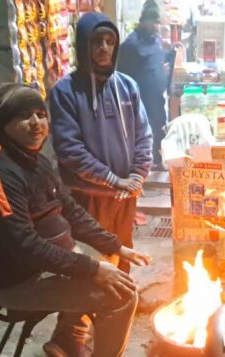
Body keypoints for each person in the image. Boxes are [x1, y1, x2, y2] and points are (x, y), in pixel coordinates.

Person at [0, 83, 154, 357]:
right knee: (122, 295)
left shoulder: (32, 158)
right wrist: (91, 268)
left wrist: (115, 246)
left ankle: (69, 338)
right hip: (15, 282)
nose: (36, 123)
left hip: (35, 264)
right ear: (5, 123)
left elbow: (70, 209)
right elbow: (24, 246)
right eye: (25, 116)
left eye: (41, 114)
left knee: (106, 259)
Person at [50, 12, 153, 275]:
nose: (104, 48)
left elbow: (144, 136)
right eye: (96, 41)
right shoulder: (66, 90)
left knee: (124, 250)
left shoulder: (127, 86)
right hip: (88, 197)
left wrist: (137, 177)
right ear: (83, 45)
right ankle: (88, 303)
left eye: (110, 41)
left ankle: (123, 296)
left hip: (125, 196)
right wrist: (112, 180)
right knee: (93, 259)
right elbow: (69, 149)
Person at [117, 2, 175, 171]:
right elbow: (121, 76)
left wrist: (171, 55)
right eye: (153, 22)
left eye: (158, 22)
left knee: (159, 128)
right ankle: (140, 167)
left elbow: (157, 60)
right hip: (140, 101)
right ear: (143, 21)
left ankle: (158, 160)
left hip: (157, 99)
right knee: (141, 134)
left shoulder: (155, 40)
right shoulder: (130, 45)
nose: (157, 26)